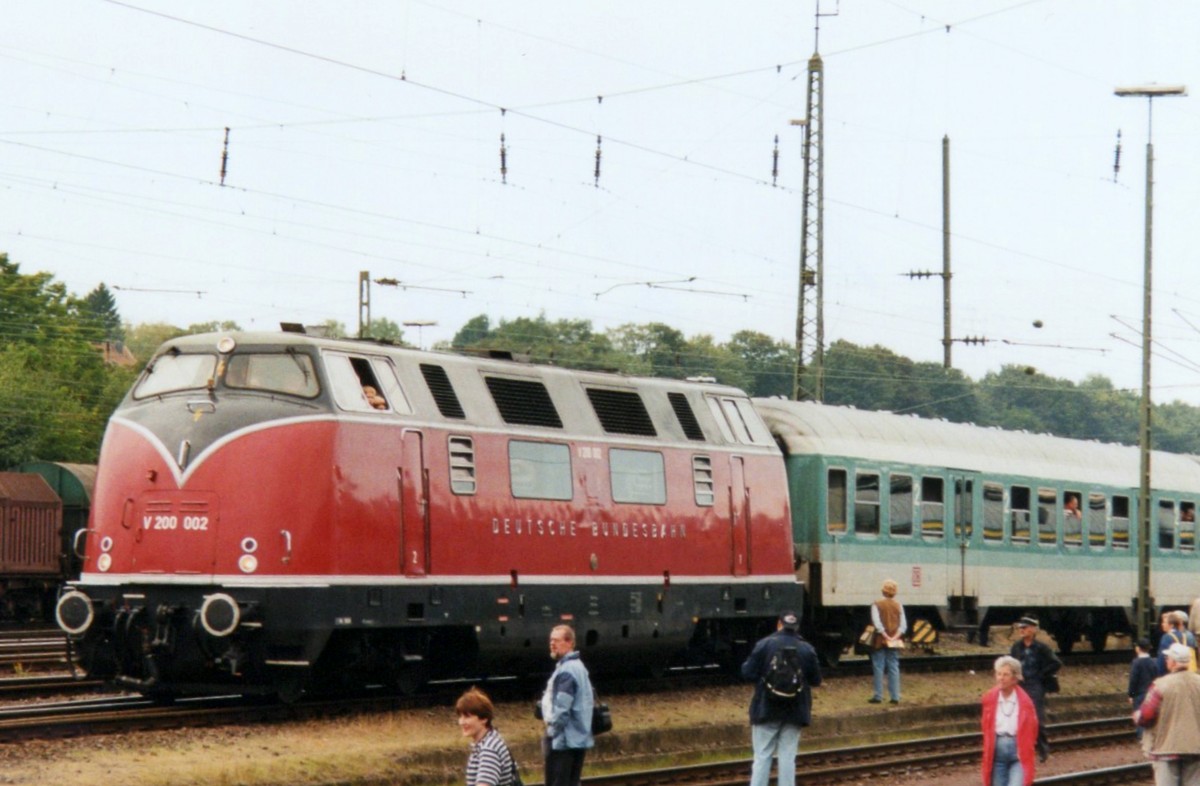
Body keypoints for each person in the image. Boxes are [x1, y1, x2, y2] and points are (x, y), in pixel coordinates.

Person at [741, 611, 823, 786]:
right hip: (796, 710)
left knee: (762, 756)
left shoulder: (764, 644)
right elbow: (816, 680)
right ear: (797, 627)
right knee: (787, 757)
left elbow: (747, 672)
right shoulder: (807, 649)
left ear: (779, 624)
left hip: (766, 707)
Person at [1134, 642, 1200, 785]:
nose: (1166, 660)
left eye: (1167, 658)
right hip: (1196, 748)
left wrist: (1137, 716)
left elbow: (1146, 715)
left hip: (1165, 749)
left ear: (1173, 662)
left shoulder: (1160, 685)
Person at [540, 625, 594, 786]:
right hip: (579, 738)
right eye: (551, 640)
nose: (552, 644)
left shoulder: (567, 671)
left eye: (556, 640)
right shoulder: (579, 667)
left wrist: (552, 732)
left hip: (564, 741)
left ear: (569, 642)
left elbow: (562, 709)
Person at [1009, 616, 1060, 762]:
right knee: (1018, 718)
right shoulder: (1016, 647)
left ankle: (1043, 749)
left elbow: (1055, 663)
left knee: (1036, 718)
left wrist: (1041, 675)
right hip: (1020, 686)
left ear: (1032, 629)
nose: (1021, 630)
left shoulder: (1041, 648)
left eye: (1024, 628)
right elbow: (1011, 663)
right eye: (1020, 628)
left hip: (1035, 685)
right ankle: (1022, 750)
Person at [981, 655, 1038, 786]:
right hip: (997, 754)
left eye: (1005, 675)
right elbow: (986, 727)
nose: (1001, 678)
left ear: (1015, 678)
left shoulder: (1025, 702)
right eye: (998, 674)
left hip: (1018, 754)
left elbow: (1032, 729)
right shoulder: (989, 699)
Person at [457, 687, 518, 786]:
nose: (461, 722)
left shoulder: (489, 749)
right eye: (460, 716)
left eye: (467, 717)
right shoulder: (488, 742)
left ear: (484, 718)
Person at [868, 578, 907, 705]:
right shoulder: (898, 605)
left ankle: (878, 696)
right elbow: (903, 625)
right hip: (895, 639)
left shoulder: (876, 604)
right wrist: (894, 637)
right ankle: (895, 696)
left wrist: (885, 635)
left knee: (878, 666)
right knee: (893, 666)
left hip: (880, 639)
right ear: (895, 592)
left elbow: (877, 623)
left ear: (883, 591)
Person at [1130, 638, 1160, 740]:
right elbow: (1156, 678)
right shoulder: (1153, 662)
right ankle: (1151, 736)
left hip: (1139, 694)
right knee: (1151, 715)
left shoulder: (1136, 663)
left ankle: (1141, 737)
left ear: (1138, 649)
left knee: (1139, 716)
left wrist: (1131, 694)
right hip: (1151, 693)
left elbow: (1133, 680)